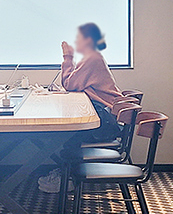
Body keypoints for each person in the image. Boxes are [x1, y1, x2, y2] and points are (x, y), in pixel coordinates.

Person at [39, 22, 123, 193]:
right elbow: (74, 84)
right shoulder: (92, 58)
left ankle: (68, 177)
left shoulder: (92, 58)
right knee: (66, 131)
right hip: (108, 118)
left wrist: (67, 57)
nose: (76, 41)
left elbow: (70, 84)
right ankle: (68, 172)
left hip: (105, 124)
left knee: (68, 132)